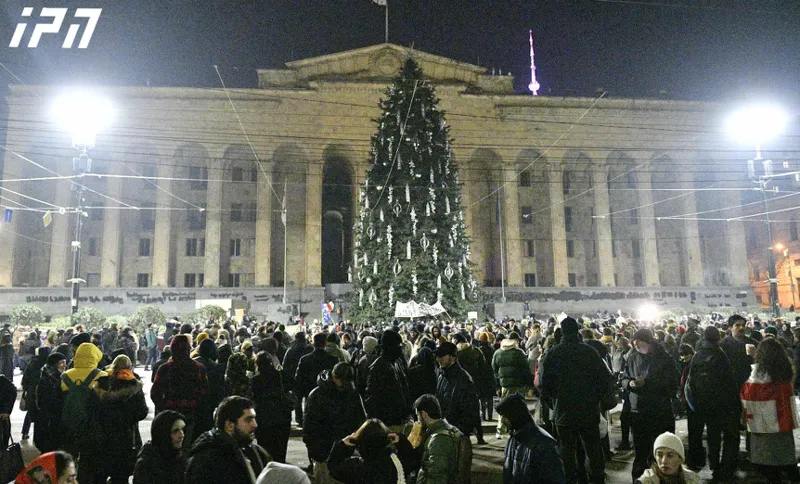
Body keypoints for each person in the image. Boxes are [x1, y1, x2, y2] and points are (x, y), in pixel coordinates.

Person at [540, 317, 611, 484]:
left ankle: (571, 480)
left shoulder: (553, 353)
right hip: (588, 410)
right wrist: (596, 399)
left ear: (562, 332)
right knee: (593, 450)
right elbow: (603, 379)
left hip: (564, 410)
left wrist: (554, 402)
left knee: (567, 452)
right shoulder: (589, 352)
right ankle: (597, 480)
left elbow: (545, 385)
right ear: (577, 330)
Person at [740, 337, 800, 483]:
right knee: (786, 459)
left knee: (768, 465)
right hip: (782, 423)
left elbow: (747, 393)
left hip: (762, 427)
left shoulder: (758, 375)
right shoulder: (785, 372)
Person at [683, 326, 740, 480]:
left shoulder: (697, 354)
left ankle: (706, 462)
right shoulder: (720, 354)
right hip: (718, 403)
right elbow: (728, 381)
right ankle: (717, 465)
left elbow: (691, 380)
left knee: (705, 434)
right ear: (717, 338)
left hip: (700, 403)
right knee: (717, 435)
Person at [622, 328, 677, 482]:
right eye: (634, 343)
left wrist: (647, 383)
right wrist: (630, 383)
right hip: (637, 412)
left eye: (639, 343)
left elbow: (671, 386)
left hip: (659, 412)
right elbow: (624, 377)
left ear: (648, 342)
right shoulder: (632, 356)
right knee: (640, 453)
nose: (636, 346)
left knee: (660, 453)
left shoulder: (664, 358)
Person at [186, 396, 272, 484]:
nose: (255, 425)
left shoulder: (258, 452)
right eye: (248, 420)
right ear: (229, 425)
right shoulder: (206, 459)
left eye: (254, 419)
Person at [304, 362, 367, 481]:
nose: (344, 385)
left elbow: (360, 420)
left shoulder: (351, 392)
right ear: (334, 377)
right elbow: (310, 428)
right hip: (324, 454)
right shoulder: (317, 395)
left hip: (347, 451)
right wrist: (317, 453)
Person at [61, 341, 109, 484]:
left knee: (70, 459)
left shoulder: (65, 376)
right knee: (91, 460)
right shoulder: (101, 375)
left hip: (70, 425)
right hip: (92, 426)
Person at [151, 334, 208, 450]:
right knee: (186, 448)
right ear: (188, 349)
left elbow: (155, 393)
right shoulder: (199, 368)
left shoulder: (164, 368)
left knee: (168, 448)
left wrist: (164, 408)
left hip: (169, 415)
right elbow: (204, 393)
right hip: (190, 415)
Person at [98, 354, 149, 484]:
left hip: (105, 434)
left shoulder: (103, 381)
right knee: (121, 474)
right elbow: (142, 411)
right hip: (127, 435)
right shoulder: (134, 383)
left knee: (104, 470)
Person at [496, 392, 566, 484]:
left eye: (505, 416)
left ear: (515, 416)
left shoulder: (544, 444)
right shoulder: (514, 439)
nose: (502, 421)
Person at [327, 418, 416, 484]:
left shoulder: (355, 468)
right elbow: (411, 460)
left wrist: (342, 445)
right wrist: (401, 441)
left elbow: (333, 466)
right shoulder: (395, 464)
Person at [434, 341, 483, 444]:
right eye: (438, 356)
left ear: (453, 357)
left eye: (442, 356)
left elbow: (471, 408)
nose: (438, 359)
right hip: (445, 430)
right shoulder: (442, 375)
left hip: (457, 433)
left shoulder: (463, 378)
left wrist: (461, 431)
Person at [365, 329, 412, 431]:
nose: (401, 349)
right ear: (390, 347)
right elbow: (373, 399)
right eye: (399, 346)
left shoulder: (397, 362)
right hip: (388, 424)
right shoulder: (378, 368)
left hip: (400, 420)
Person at [251, 350, 292, 463]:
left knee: (265, 451)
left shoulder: (255, 380)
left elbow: (254, 398)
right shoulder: (281, 375)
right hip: (282, 417)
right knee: (281, 450)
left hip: (264, 419)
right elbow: (291, 386)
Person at [412, 394, 461, 484]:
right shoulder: (451, 429)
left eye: (417, 416)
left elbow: (436, 476)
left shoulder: (438, 440)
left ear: (424, 414)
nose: (417, 420)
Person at [492, 332, 532, 438]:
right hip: (518, 384)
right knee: (518, 407)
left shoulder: (498, 353)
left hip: (504, 384)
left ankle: (499, 430)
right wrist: (529, 384)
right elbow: (526, 370)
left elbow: (494, 369)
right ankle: (516, 429)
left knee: (504, 407)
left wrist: (499, 382)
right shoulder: (519, 353)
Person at [133, 410, 187, 484]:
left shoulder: (179, 458)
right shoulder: (146, 465)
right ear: (163, 434)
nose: (181, 435)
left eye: (183, 429)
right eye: (175, 431)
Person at [294, 333, 338, 424]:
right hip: (329, 396)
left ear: (313, 343)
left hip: (309, 394)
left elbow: (298, 380)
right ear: (325, 343)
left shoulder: (304, 359)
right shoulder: (333, 360)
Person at [35, 351, 67, 453]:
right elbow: (45, 400)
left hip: (51, 418)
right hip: (49, 419)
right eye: (61, 363)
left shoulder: (56, 376)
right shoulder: (47, 379)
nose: (64, 365)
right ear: (54, 364)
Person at [282, 332, 312, 425]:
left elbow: (285, 365)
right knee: (309, 399)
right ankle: (308, 418)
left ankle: (299, 419)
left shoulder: (291, 350)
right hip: (308, 378)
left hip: (295, 378)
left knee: (297, 400)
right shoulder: (310, 349)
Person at [720, 314, 756, 390]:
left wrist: (755, 355)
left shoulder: (753, 343)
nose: (741, 328)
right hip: (730, 385)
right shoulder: (722, 345)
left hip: (750, 384)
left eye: (743, 325)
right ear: (730, 328)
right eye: (737, 325)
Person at [21, 346, 49, 440]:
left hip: (31, 391)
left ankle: (25, 432)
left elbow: (25, 378)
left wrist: (25, 389)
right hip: (42, 392)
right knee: (42, 413)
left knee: (30, 412)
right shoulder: (48, 365)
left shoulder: (32, 363)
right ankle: (40, 435)